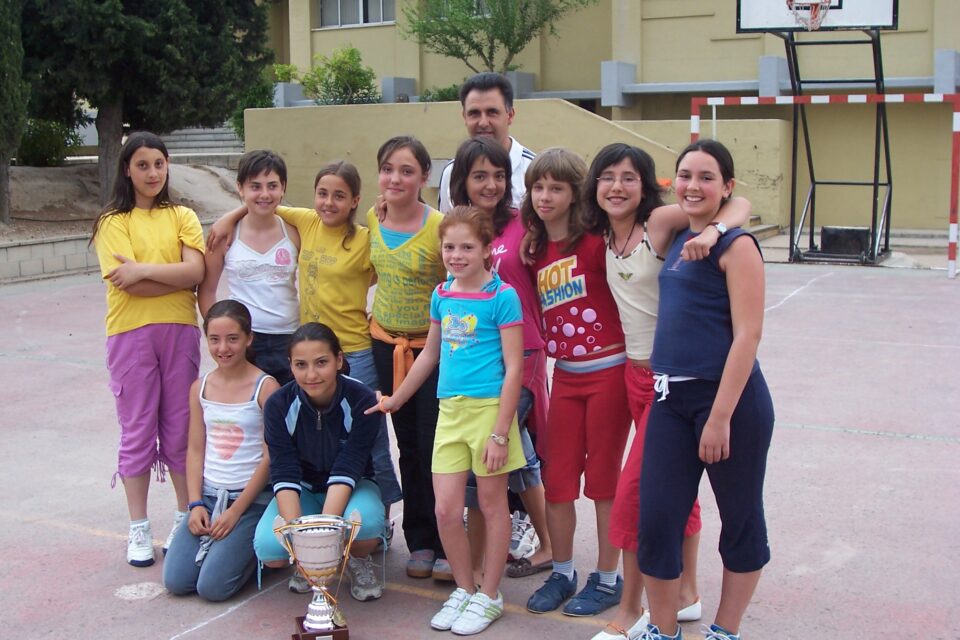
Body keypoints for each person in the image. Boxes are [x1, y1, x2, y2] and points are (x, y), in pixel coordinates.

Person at [582, 143, 751, 640]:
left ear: (649, 186)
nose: (617, 186)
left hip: (670, 380)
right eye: (607, 176)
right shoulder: (599, 235)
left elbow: (737, 205)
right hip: (631, 377)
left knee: (638, 496)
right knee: (677, 494)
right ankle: (688, 594)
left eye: (629, 178)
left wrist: (718, 228)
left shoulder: (657, 225)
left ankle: (631, 608)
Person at [206, 161, 403, 552]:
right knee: (294, 429)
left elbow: (385, 270)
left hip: (354, 351)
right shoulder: (307, 221)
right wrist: (229, 216)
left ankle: (375, 524)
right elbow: (264, 203)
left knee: (369, 438)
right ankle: (295, 518)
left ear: (355, 201)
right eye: (322, 194)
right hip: (308, 349)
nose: (329, 202)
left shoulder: (365, 238)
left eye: (339, 196)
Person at [637, 140, 774, 640]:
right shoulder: (672, 233)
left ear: (727, 186)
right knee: (656, 520)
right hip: (671, 401)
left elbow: (748, 336)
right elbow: (694, 205)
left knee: (739, 519)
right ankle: (663, 629)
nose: (694, 186)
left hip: (731, 403)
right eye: (685, 175)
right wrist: (710, 218)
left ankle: (726, 631)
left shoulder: (737, 247)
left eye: (707, 177)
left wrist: (719, 417)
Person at [370, 206, 527, 635]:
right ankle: (464, 588)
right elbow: (431, 355)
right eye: (449, 246)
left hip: (489, 414)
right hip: (449, 412)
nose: (456, 255)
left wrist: (499, 432)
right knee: (444, 510)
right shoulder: (442, 294)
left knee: (493, 506)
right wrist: (396, 400)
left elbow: (515, 368)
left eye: (466, 247)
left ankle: (489, 594)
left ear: (486, 250)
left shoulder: (502, 297)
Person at [521, 148, 631, 618]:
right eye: (537, 187)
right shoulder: (533, 248)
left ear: (575, 193)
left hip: (610, 374)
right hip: (563, 377)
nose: (545, 196)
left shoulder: (596, 241)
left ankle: (607, 578)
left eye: (556, 188)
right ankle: (563, 571)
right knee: (559, 480)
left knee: (604, 482)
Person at [91, 131, 205, 567]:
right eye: (142, 165)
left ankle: (183, 517)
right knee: (138, 430)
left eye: (158, 163)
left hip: (180, 333)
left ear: (167, 165)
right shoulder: (112, 221)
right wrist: (172, 276)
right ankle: (138, 528)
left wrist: (143, 271)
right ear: (127, 170)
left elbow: (196, 270)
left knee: (180, 429)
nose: (152, 173)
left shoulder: (182, 215)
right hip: (130, 335)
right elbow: (125, 285)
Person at [447, 137, 553, 581]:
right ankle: (486, 559)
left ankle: (539, 547)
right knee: (516, 453)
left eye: (498, 175)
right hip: (476, 362)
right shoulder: (456, 228)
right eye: (479, 176)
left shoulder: (525, 223)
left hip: (521, 356)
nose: (490, 185)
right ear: (463, 182)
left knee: (508, 448)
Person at [253, 323, 389, 602]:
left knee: (366, 528)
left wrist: (325, 533)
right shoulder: (278, 404)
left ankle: (355, 558)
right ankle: (309, 566)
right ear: (290, 365)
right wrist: (301, 541)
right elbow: (283, 468)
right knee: (270, 550)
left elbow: (350, 463)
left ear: (339, 360)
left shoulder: (361, 397)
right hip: (303, 488)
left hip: (352, 486)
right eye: (301, 365)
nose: (311, 374)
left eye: (322, 363)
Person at [366, 136, 450, 580]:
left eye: (406, 171)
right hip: (385, 348)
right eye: (387, 169)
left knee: (436, 445)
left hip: (432, 352)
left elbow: (456, 287)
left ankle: (444, 540)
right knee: (408, 447)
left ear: (424, 177)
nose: (395, 178)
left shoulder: (439, 227)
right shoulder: (372, 218)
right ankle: (418, 540)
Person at [163, 300, 277, 601]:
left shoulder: (265, 387)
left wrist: (236, 512)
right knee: (176, 581)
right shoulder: (200, 387)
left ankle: (262, 556)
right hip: (210, 497)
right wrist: (195, 503)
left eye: (233, 339)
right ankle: (225, 548)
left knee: (212, 589)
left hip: (250, 501)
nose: (223, 348)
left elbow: (270, 456)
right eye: (214, 339)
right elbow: (195, 450)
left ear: (249, 338)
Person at [198, 150, 300, 386]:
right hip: (245, 340)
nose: (264, 194)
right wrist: (224, 337)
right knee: (249, 414)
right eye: (255, 186)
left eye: (272, 185)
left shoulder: (294, 231)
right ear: (240, 188)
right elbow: (206, 291)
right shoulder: (224, 235)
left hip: (289, 338)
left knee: (289, 414)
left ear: (283, 187)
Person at [437, 72, 536, 213]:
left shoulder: (533, 170)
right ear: (464, 117)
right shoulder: (451, 172)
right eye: (474, 113)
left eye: (492, 112)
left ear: (510, 115)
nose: (483, 122)